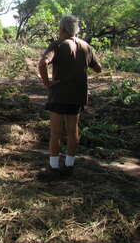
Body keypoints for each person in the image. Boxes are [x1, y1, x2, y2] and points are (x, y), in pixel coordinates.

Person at [37, 15, 102, 180]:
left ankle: (53, 168)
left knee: (56, 133)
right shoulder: (86, 46)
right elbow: (98, 69)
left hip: (59, 95)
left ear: (62, 29)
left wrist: (47, 83)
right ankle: (69, 165)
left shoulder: (58, 44)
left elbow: (43, 63)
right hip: (78, 95)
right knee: (73, 131)